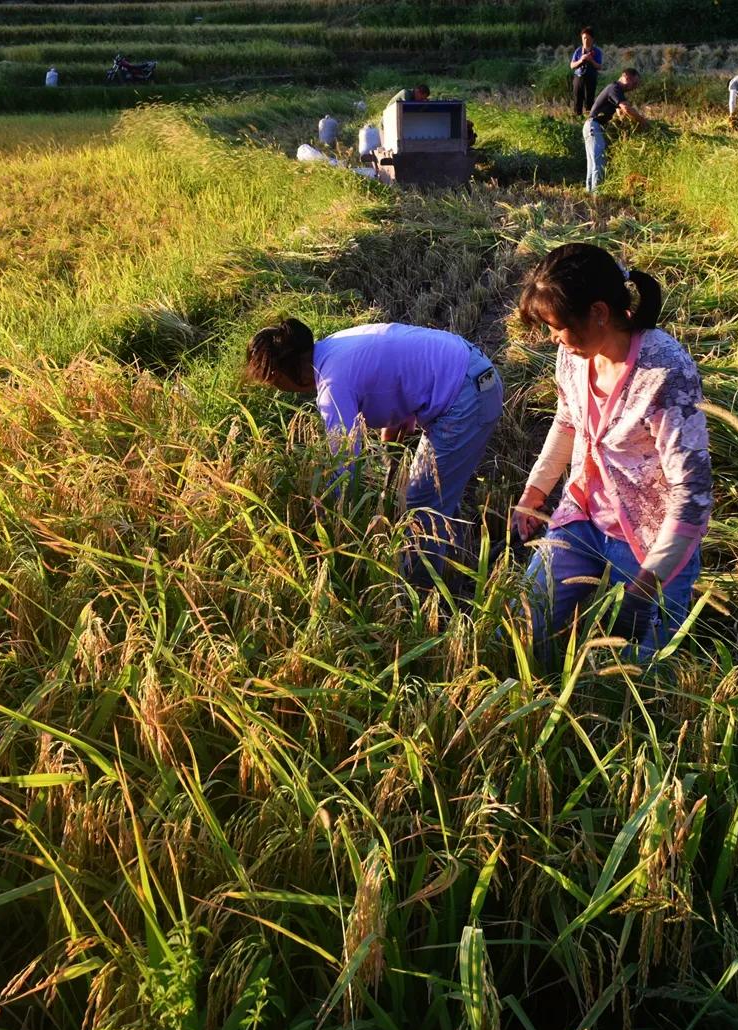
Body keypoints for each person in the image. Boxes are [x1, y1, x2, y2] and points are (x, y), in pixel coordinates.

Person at [511, 243, 711, 660]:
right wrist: (534, 493)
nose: (553, 339)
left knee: (646, 675)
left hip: (649, 541)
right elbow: (568, 423)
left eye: (557, 326)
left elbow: (692, 491)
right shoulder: (572, 357)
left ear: (599, 313)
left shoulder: (664, 372)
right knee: (525, 630)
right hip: (582, 516)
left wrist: (648, 583)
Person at [246, 318, 502, 577]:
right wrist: (388, 449)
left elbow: (344, 465)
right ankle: (455, 569)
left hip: (466, 395)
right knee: (437, 493)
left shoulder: (332, 384)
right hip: (473, 373)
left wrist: (326, 519)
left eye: (275, 381)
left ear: (289, 371)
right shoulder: (335, 346)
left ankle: (422, 597)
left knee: (421, 504)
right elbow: (393, 373)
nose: (278, 389)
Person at [583, 68, 648, 195]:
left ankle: (590, 193)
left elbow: (620, 112)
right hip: (594, 126)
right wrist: (643, 121)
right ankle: (597, 194)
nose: (635, 87)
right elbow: (626, 108)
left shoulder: (615, 91)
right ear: (627, 78)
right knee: (599, 161)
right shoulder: (614, 88)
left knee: (593, 163)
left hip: (592, 127)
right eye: (634, 83)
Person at [569, 26, 603, 117]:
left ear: (592, 39)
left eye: (588, 38)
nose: (586, 41)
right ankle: (577, 119)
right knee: (577, 100)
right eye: (584, 38)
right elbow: (572, 65)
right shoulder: (578, 51)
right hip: (578, 78)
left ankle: (589, 120)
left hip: (591, 78)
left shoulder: (597, 51)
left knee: (589, 101)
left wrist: (591, 60)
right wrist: (581, 60)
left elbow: (599, 66)